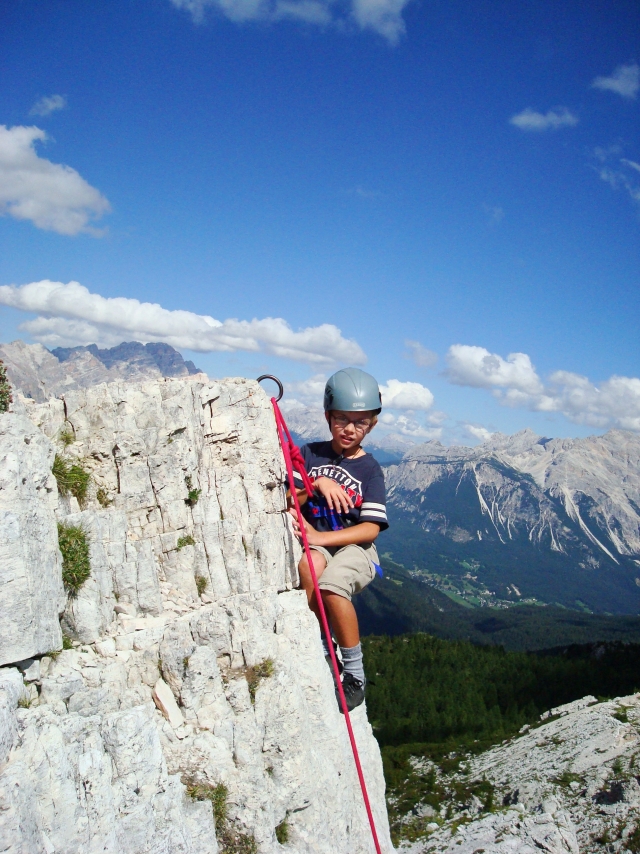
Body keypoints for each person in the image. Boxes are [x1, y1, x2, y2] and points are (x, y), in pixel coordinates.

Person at [288, 367, 388, 711]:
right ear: (328, 416)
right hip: (320, 542)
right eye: (342, 419)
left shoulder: (370, 470)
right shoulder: (311, 453)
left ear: (371, 425)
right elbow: (291, 498)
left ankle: (355, 674)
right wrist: (315, 484)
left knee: (331, 586)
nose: (349, 428)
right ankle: (325, 645)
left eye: (360, 422)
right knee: (308, 567)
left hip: (357, 548)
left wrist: (318, 536)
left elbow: (371, 529)